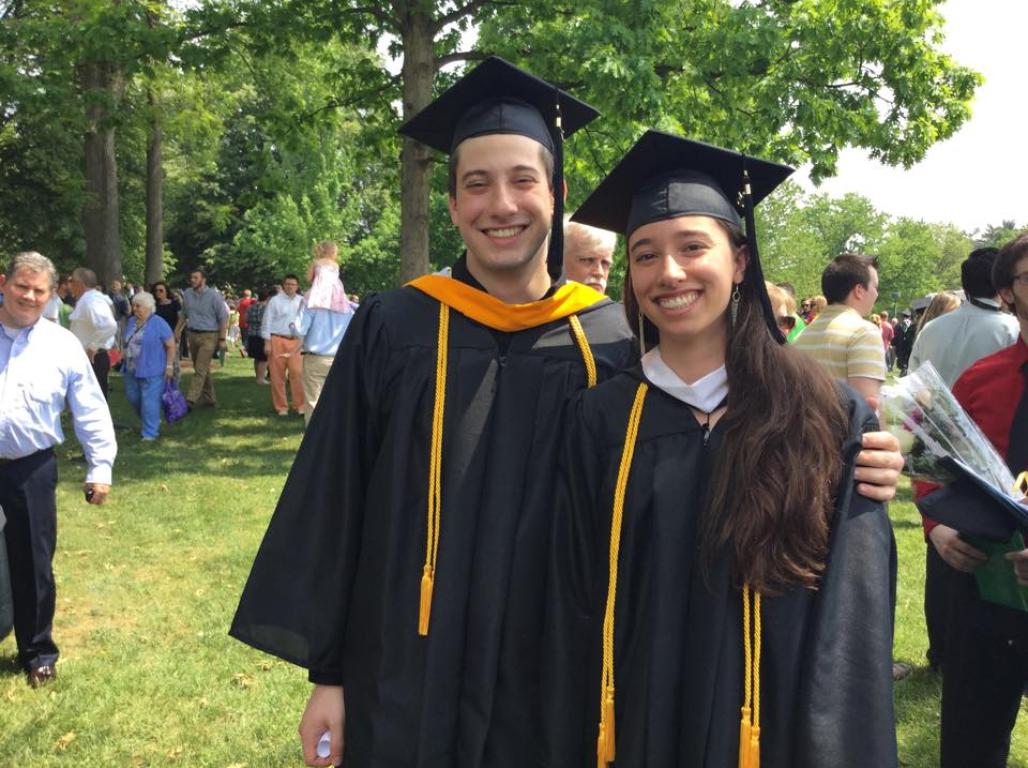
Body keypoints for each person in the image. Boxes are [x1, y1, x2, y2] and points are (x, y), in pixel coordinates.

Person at [230, 60, 903, 768]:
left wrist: (851, 460)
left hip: (559, 676)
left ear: (557, 195)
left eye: (523, 180)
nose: (501, 205)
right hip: (402, 667)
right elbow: (335, 500)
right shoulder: (392, 328)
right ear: (453, 204)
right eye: (476, 185)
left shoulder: (613, 342)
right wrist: (329, 675)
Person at [544, 131, 897, 768]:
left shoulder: (824, 413)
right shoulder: (601, 419)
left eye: (692, 247)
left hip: (777, 725)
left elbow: (852, 617)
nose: (669, 273)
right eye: (645, 255)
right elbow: (569, 591)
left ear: (738, 261)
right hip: (635, 720)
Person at [918, 233, 1028, 767]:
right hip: (983, 588)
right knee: (971, 743)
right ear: (1007, 293)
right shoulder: (981, 380)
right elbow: (930, 465)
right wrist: (936, 529)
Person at [0, 251, 116, 687]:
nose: (29, 296)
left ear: (51, 295)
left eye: (39, 290)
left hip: (30, 468)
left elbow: (89, 408)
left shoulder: (61, 343)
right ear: (5, 283)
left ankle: (36, 653)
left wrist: (99, 465)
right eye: (21, 286)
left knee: (32, 562)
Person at [909, 248, 1019, 386]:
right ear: (1003, 284)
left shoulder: (931, 328)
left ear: (965, 286)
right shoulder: (1014, 329)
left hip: (932, 406)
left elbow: (913, 383)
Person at [793, 252, 886, 401]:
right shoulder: (864, 333)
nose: (877, 294)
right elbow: (867, 410)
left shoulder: (801, 337)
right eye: (875, 287)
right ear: (859, 291)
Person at [121, 291, 176, 440]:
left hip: (152, 369)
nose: (135, 309)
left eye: (138, 306)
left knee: (150, 402)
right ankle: (150, 421)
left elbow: (171, 345)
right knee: (133, 398)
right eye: (133, 305)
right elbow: (127, 341)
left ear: (149, 307)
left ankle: (150, 433)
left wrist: (169, 366)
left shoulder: (158, 322)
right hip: (131, 368)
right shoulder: (132, 321)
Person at [297, 292, 356, 427]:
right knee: (339, 399)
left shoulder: (312, 305)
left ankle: (314, 438)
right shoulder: (347, 307)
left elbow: (299, 329)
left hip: (316, 358)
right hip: (340, 358)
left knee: (314, 400)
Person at [174, 269, 228, 409]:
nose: (192, 280)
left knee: (200, 369)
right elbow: (184, 314)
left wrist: (222, 339)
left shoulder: (214, 296)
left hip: (210, 335)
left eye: (195, 277)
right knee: (202, 368)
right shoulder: (187, 294)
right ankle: (209, 399)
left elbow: (223, 318)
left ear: (203, 280)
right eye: (191, 277)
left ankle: (190, 400)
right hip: (192, 334)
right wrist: (177, 331)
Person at [67, 267, 118, 399]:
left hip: (94, 358)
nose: (69, 284)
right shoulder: (88, 299)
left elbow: (109, 326)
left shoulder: (91, 301)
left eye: (71, 280)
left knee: (92, 403)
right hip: (88, 358)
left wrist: (93, 346)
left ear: (80, 283)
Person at [261, 274, 306, 416]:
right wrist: (267, 342)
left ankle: (300, 405)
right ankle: (281, 407)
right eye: (287, 284)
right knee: (277, 375)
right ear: (283, 285)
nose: (290, 286)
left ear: (297, 286)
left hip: (296, 342)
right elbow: (266, 322)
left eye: (293, 284)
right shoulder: (275, 301)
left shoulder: (303, 301)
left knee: (297, 373)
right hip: (277, 339)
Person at [563, 217, 616, 294]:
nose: (599, 272)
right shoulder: (542, 305)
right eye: (588, 260)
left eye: (605, 263)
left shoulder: (620, 306)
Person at [306, 240, 352, 313]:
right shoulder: (335, 265)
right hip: (335, 294)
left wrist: (315, 281)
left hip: (319, 292)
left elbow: (308, 278)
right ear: (332, 252)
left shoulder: (316, 262)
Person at [246, 288, 272, 384]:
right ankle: (261, 378)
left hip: (252, 334)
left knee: (256, 357)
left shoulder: (251, 307)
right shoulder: (267, 308)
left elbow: (246, 319)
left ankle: (257, 376)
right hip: (262, 334)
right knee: (263, 358)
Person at [893, 309, 916, 375]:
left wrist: (894, 344)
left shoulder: (898, 325)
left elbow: (895, 336)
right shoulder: (913, 325)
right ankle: (905, 370)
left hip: (900, 346)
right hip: (910, 346)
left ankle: (904, 370)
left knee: (902, 360)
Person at [237, 288, 257, 355]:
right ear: (250, 295)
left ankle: (245, 351)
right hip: (249, 323)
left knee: (243, 337)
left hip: (241, 322)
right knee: (248, 338)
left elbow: (238, 310)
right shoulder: (252, 302)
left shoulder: (241, 302)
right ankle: (244, 348)